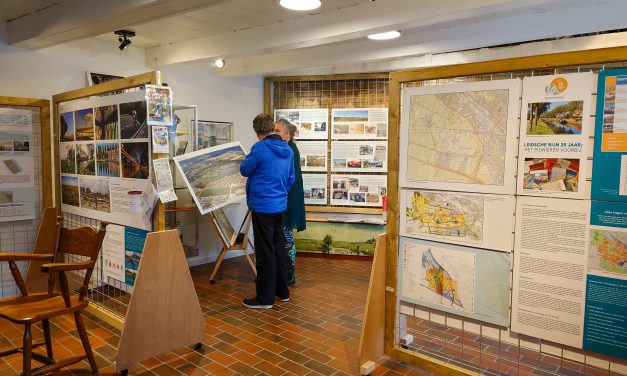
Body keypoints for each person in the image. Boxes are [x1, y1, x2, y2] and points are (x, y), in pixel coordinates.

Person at [240, 114, 295, 309]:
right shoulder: (287, 150)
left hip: (263, 207)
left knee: (264, 253)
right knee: (278, 248)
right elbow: (291, 179)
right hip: (280, 206)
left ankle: (264, 299)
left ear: (257, 132)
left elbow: (244, 169)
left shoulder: (260, 148)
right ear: (272, 127)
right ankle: (282, 292)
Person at [275, 119, 306, 285]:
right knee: (284, 237)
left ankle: (288, 275)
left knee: (286, 237)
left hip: (288, 199)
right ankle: (286, 274)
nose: (274, 132)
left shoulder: (289, 149)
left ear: (287, 134)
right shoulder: (288, 148)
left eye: (277, 130)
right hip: (286, 198)